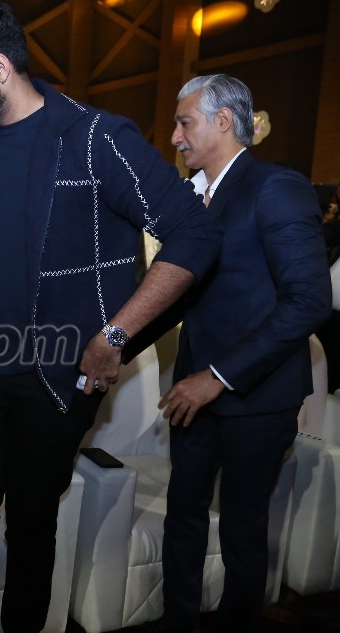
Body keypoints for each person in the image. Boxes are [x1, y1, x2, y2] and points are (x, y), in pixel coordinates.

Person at [0, 0, 221, 632]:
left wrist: (116, 335)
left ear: (0, 68)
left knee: (31, 522)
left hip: (56, 376)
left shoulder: (97, 138)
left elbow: (196, 233)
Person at [155, 75, 331, 632]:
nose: (175, 137)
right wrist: (111, 344)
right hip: (192, 390)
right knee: (182, 517)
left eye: (184, 123)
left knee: (241, 530)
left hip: (257, 395)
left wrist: (218, 376)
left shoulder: (275, 187)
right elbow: (175, 293)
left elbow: (309, 301)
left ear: (224, 121)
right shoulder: (190, 198)